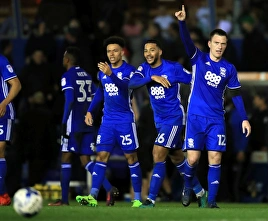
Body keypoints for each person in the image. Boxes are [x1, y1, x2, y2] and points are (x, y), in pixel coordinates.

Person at [175, 5, 251, 208]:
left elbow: (235, 94)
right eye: (216, 43)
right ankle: (187, 186)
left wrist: (244, 117)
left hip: (217, 119)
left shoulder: (229, 68)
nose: (219, 46)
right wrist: (182, 23)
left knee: (215, 158)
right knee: (192, 159)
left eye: (223, 44)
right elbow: (186, 42)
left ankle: (211, 201)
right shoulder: (197, 58)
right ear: (209, 43)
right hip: (195, 116)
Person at [129, 39, 206, 208]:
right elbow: (131, 83)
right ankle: (200, 193)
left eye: (152, 50)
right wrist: (152, 77)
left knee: (157, 154)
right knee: (178, 158)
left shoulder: (173, 68)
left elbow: (193, 80)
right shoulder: (144, 68)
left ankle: (150, 200)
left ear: (160, 52)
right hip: (160, 121)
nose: (148, 53)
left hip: (174, 118)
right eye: (145, 50)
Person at [75, 36, 143, 208]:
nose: (111, 54)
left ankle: (137, 199)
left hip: (125, 120)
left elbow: (124, 88)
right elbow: (100, 93)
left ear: (122, 52)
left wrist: (111, 74)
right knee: (101, 156)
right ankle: (93, 196)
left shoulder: (130, 71)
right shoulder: (103, 72)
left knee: (131, 157)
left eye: (115, 51)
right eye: (108, 51)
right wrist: (90, 111)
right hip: (107, 122)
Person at [48, 46, 118, 206]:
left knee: (65, 158)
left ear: (67, 59)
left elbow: (70, 99)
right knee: (85, 160)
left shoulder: (67, 76)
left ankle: (64, 200)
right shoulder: (87, 75)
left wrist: (64, 122)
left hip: (73, 124)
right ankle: (108, 188)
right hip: (87, 123)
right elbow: (96, 97)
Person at [0, 54, 22, 206]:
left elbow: (16, 84)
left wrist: (4, 103)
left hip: (2, 112)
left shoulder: (1, 60)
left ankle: (2, 196)